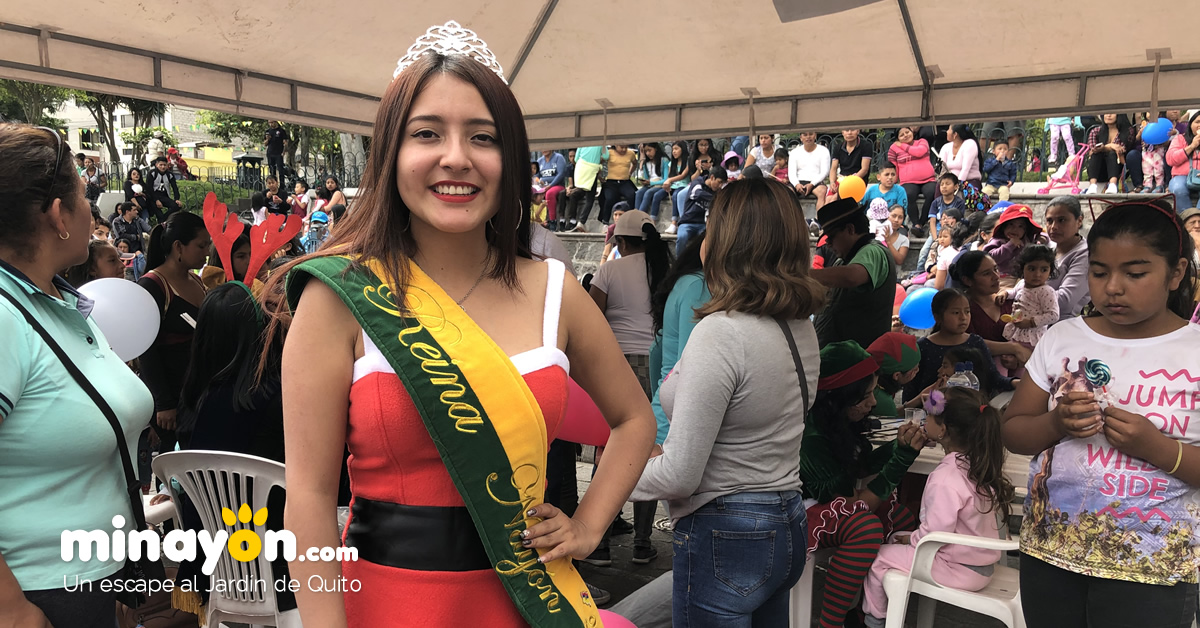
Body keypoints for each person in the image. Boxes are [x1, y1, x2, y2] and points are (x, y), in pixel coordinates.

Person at [267, 29, 655, 626]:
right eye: (426, 133)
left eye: (484, 137)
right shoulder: (338, 298)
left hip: (529, 600)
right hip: (389, 602)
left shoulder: (558, 290)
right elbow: (312, 500)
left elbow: (634, 421)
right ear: (390, 152)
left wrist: (587, 526)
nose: (457, 157)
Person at [633, 177, 822, 625]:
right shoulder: (800, 328)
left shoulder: (721, 332)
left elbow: (680, 475)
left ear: (726, 242)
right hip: (787, 520)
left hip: (727, 531)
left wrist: (611, 479)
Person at [1002, 199, 1199, 628]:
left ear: (1177, 272)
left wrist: (1158, 448)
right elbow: (1013, 432)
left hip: (1152, 568)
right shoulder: (1063, 338)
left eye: (1135, 273)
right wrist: (1055, 423)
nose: (1113, 287)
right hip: (1051, 555)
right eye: (1099, 271)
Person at [0, 124, 154, 628]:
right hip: (37, 590)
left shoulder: (54, 302)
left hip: (87, 576)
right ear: (59, 215)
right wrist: (11, 610)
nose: (94, 211)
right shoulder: (5, 314)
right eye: (85, 196)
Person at [862, 387, 1013, 628]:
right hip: (979, 565)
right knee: (898, 538)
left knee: (879, 557)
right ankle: (894, 605)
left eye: (928, 417)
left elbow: (935, 533)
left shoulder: (945, 477)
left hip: (956, 569)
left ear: (942, 430)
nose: (924, 420)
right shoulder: (977, 464)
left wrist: (914, 539)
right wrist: (911, 538)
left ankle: (875, 620)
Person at [800, 340, 924, 628]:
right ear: (839, 398)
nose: (872, 402)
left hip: (829, 503)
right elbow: (853, 503)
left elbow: (858, 468)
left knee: (904, 520)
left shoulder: (836, 421)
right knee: (866, 528)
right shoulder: (813, 437)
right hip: (795, 513)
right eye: (865, 396)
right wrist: (899, 461)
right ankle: (831, 622)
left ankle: (866, 608)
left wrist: (898, 446)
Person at [588, 208, 672, 566]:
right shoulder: (668, 272)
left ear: (620, 241)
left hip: (614, 366)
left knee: (607, 449)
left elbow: (591, 319)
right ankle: (642, 543)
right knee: (648, 448)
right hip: (656, 364)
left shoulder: (609, 270)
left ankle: (599, 543)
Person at [137, 211, 210, 458]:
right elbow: (146, 349)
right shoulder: (153, 285)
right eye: (201, 245)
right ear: (179, 246)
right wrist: (163, 403)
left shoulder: (197, 281)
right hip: (171, 397)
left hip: (198, 392)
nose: (207, 251)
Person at [648, 233, 710, 451]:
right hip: (672, 428)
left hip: (665, 420)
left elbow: (656, 350)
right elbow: (690, 367)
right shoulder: (698, 286)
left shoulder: (688, 283)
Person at [812, 197, 897, 348]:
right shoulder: (843, 260)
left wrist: (801, 275)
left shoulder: (873, 251)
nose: (828, 244)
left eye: (831, 237)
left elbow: (852, 277)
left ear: (850, 229)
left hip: (859, 358)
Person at [902, 288, 1011, 404]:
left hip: (969, 411)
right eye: (956, 313)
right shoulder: (923, 347)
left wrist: (1015, 382)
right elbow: (910, 390)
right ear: (937, 317)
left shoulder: (976, 342)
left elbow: (994, 377)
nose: (963, 317)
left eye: (967, 311)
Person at [949, 251, 1035, 376]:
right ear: (967, 280)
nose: (996, 276)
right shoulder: (963, 309)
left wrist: (1018, 358)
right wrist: (1013, 348)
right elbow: (965, 341)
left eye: (995, 269)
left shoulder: (1010, 302)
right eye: (986, 273)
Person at [1042, 196, 1090, 320]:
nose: (1054, 227)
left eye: (1062, 220)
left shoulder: (1084, 254)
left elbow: (1065, 301)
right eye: (1049, 220)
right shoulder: (1050, 248)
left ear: (1079, 221)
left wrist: (1028, 295)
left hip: (1061, 324)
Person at [1000, 244, 1059, 348]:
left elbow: (1053, 315)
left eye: (1044, 270)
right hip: (1016, 331)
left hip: (1032, 337)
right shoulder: (1022, 283)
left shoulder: (1046, 292)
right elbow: (1015, 292)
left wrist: (1031, 322)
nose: (1037, 274)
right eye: (1032, 269)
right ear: (1022, 268)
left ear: (1050, 271)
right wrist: (1005, 293)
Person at [889, 126, 937, 234]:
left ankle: (923, 221)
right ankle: (916, 224)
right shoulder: (893, 148)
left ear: (912, 132)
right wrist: (893, 182)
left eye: (907, 132)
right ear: (897, 138)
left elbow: (919, 152)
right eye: (902, 135)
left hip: (928, 179)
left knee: (931, 193)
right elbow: (893, 166)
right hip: (908, 181)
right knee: (908, 195)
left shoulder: (922, 141)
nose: (905, 135)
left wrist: (903, 146)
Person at [865, 331, 922, 418]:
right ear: (896, 375)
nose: (918, 371)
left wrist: (918, 399)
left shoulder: (872, 384)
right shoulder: (879, 399)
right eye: (914, 370)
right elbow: (892, 419)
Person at [983, 204, 1045, 281]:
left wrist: (1041, 240)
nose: (1015, 229)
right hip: (1001, 278)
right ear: (1003, 227)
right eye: (1011, 224)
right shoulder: (998, 240)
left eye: (1021, 226)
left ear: (1026, 230)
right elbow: (990, 258)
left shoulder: (1026, 241)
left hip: (1022, 278)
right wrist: (1010, 245)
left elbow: (1040, 237)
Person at [677, 164, 726, 255]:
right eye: (719, 182)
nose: (720, 186)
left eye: (722, 183)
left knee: (709, 240)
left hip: (703, 224)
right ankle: (679, 264)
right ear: (712, 178)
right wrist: (717, 199)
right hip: (687, 222)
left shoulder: (718, 191)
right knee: (682, 237)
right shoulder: (697, 183)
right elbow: (697, 194)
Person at [1085, 114, 1135, 195]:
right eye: (1106, 113)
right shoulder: (1095, 131)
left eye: (1112, 113)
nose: (1108, 115)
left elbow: (1121, 150)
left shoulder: (1127, 131)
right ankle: (1092, 186)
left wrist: (1105, 148)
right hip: (1099, 171)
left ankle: (1113, 185)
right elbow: (1092, 151)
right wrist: (1110, 146)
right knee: (1096, 154)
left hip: (1118, 168)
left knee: (1112, 154)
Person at [1166, 110, 1200, 212]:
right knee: (1178, 189)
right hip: (1182, 176)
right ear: (1190, 124)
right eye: (1197, 122)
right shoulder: (1180, 139)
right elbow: (1170, 159)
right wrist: (1192, 146)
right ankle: (1188, 218)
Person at [789, 130, 831, 208]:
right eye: (805, 135)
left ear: (815, 135)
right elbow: (791, 173)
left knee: (822, 192)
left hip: (816, 182)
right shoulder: (794, 152)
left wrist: (812, 184)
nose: (808, 137)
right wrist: (796, 184)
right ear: (801, 138)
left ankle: (819, 219)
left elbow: (825, 172)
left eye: (811, 134)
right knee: (787, 192)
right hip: (799, 181)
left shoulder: (823, 151)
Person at [600, 144, 638, 224]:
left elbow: (635, 163)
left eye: (625, 147)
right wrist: (600, 176)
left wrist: (630, 172)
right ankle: (605, 222)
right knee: (609, 198)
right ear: (616, 145)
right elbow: (599, 162)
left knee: (632, 195)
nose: (624, 149)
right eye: (621, 147)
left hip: (624, 181)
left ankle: (630, 219)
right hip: (611, 182)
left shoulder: (631, 153)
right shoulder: (609, 153)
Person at [829, 128, 873, 194]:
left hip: (858, 179)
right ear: (843, 132)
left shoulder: (866, 146)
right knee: (828, 199)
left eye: (852, 130)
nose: (849, 133)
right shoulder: (838, 147)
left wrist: (849, 181)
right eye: (847, 130)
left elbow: (864, 169)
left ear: (858, 131)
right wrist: (832, 182)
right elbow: (833, 168)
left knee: (836, 197)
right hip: (842, 179)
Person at [939, 124, 982, 190]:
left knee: (967, 191)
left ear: (955, 134)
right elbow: (942, 168)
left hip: (969, 181)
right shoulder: (946, 147)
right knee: (939, 187)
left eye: (949, 129)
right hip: (950, 182)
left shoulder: (970, 144)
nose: (947, 132)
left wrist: (957, 184)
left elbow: (965, 169)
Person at [663, 141, 693, 233]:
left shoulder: (688, 161)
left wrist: (670, 180)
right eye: (673, 150)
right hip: (672, 185)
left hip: (683, 185)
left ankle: (674, 222)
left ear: (682, 149)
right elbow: (669, 176)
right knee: (656, 195)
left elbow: (683, 176)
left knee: (676, 195)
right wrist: (666, 185)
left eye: (676, 149)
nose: (674, 152)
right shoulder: (671, 163)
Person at [633, 143, 669, 218]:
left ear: (655, 149)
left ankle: (639, 217)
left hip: (660, 184)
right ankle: (636, 214)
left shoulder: (664, 160)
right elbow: (645, 177)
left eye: (650, 150)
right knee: (639, 193)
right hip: (650, 184)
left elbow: (666, 179)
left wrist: (651, 182)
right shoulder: (647, 162)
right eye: (646, 151)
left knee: (648, 193)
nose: (648, 153)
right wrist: (642, 159)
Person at [536, 149, 569, 224]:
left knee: (549, 193)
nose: (544, 149)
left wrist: (550, 185)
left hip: (557, 185)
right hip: (542, 186)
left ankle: (552, 221)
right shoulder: (539, 161)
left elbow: (561, 174)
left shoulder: (559, 158)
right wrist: (539, 183)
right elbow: (536, 176)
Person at [146, 156, 181, 222]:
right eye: (160, 165)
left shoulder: (170, 175)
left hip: (164, 196)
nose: (163, 167)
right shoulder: (152, 173)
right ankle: (161, 221)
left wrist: (176, 199)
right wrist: (156, 200)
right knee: (159, 214)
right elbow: (149, 189)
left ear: (167, 165)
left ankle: (163, 220)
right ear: (156, 165)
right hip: (152, 197)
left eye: (164, 165)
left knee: (177, 206)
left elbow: (175, 188)